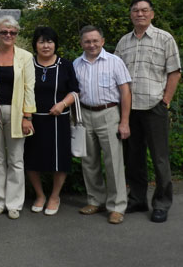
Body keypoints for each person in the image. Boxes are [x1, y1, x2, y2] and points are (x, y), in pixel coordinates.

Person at [115, 0, 181, 223]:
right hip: (130, 109)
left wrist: (165, 101)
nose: (140, 14)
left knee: (160, 158)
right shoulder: (123, 42)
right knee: (134, 157)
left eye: (144, 10)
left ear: (152, 14)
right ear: (131, 15)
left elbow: (174, 72)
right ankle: (137, 199)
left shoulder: (164, 38)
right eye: (135, 11)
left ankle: (161, 203)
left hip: (154, 107)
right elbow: (116, 75)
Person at [73, 26, 132, 225]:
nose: (91, 45)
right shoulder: (76, 64)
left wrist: (124, 121)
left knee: (113, 162)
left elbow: (125, 92)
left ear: (103, 41)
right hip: (85, 114)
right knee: (89, 161)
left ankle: (116, 206)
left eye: (95, 41)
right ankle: (95, 200)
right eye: (87, 41)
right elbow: (75, 94)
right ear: (81, 43)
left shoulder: (115, 62)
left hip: (109, 114)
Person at [24, 26, 79, 216]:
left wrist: (63, 104)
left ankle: (55, 196)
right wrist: (26, 116)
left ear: (55, 44)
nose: (46, 46)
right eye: (41, 41)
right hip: (32, 120)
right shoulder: (28, 64)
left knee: (59, 160)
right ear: (35, 44)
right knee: (31, 159)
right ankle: (39, 195)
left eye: (49, 41)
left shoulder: (65, 65)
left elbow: (75, 91)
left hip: (58, 120)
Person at [0, 16, 35, 220]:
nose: (8, 35)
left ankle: (14, 203)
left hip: (17, 112)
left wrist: (28, 116)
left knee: (16, 160)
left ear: (16, 35)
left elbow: (28, 88)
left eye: (12, 32)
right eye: (4, 32)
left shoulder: (25, 56)